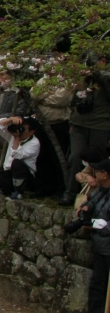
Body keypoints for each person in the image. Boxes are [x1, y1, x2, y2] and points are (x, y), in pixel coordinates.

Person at [65, 158, 110, 313]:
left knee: (102, 282)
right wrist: (86, 208)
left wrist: (104, 226)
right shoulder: (101, 190)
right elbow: (92, 201)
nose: (95, 174)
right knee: (98, 282)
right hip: (100, 245)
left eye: (97, 171)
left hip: (107, 244)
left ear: (105, 174)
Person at [61, 58, 110, 206]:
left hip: (100, 124)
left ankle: (98, 197)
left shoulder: (106, 77)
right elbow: (73, 99)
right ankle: (69, 193)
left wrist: (97, 75)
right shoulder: (82, 78)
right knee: (75, 157)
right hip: (78, 123)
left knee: (97, 161)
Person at [0, 116, 41, 199]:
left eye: (23, 128)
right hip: (8, 174)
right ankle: (7, 190)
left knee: (17, 162)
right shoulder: (13, 135)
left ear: (31, 132)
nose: (20, 129)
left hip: (24, 176)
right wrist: (11, 119)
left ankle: (19, 192)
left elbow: (17, 155)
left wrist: (16, 138)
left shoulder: (34, 143)